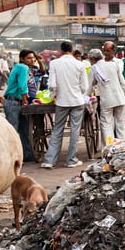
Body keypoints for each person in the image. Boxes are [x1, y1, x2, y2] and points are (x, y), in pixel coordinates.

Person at [41, 41, 88, 169]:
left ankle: (49, 160)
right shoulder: (80, 64)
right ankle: (71, 160)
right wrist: (78, 92)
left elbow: (52, 85)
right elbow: (85, 86)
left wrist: (52, 96)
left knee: (57, 129)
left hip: (62, 102)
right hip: (77, 101)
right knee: (75, 130)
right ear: (72, 50)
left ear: (60, 51)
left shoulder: (55, 64)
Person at [4, 50, 39, 162]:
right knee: (13, 130)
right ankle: (11, 157)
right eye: (29, 58)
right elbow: (22, 85)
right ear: (22, 58)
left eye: (33, 58)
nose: (32, 60)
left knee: (24, 130)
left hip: (15, 101)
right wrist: (25, 100)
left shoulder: (20, 67)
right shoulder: (23, 68)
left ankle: (27, 154)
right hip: (13, 102)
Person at [91, 46, 125, 145]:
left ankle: (109, 149)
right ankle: (122, 149)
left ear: (93, 59)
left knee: (107, 126)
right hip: (120, 99)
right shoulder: (114, 65)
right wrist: (124, 96)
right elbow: (124, 85)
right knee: (120, 126)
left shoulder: (95, 68)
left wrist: (86, 97)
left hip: (107, 101)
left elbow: (88, 87)